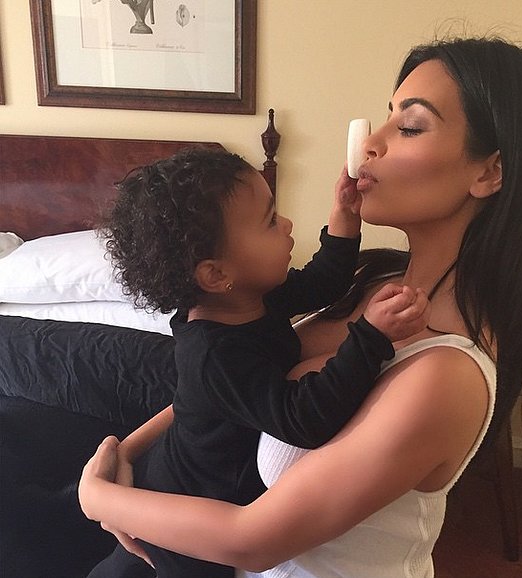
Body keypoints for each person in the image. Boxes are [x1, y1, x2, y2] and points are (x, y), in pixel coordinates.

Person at [79, 35, 522, 578]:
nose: (371, 143)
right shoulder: (376, 278)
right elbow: (228, 385)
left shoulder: (444, 375)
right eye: (387, 117)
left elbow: (253, 541)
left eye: (410, 126)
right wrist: (126, 452)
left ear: (488, 172)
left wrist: (98, 498)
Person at [85, 148, 430, 577]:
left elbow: (323, 283)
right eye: (270, 221)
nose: (287, 225)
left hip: (187, 472)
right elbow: (302, 417)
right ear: (216, 274)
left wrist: (344, 215)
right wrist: (370, 338)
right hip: (188, 506)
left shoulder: (252, 297)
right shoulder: (215, 355)